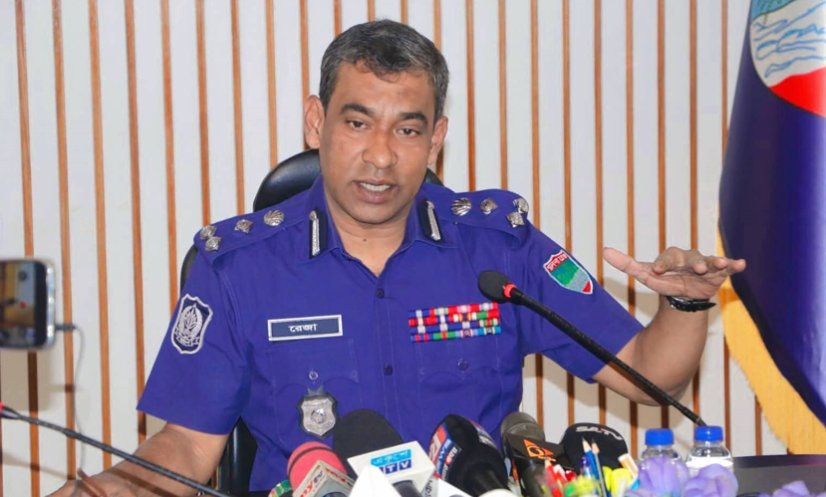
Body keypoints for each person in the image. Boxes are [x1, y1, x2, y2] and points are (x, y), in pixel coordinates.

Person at [50, 19, 745, 496]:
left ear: (436, 139)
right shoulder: (238, 269)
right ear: (317, 122)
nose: (380, 156)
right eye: (357, 123)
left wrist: (684, 302)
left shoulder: (497, 249)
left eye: (407, 130)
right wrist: (113, 487)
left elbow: (653, 374)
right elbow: (185, 449)